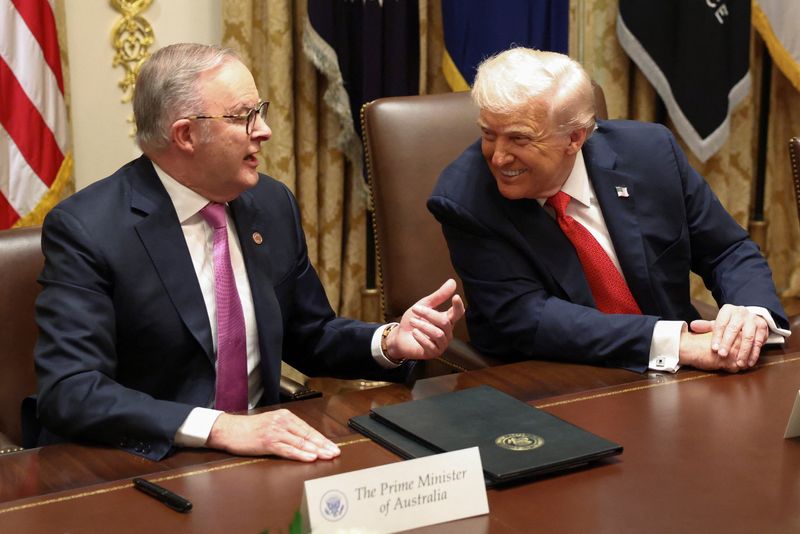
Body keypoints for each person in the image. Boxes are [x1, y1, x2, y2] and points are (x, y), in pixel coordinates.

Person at [34, 43, 464, 462]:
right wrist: (220, 427)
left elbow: (309, 334)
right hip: (150, 460)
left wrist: (388, 341)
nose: (264, 130)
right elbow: (71, 389)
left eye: (260, 112)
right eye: (244, 117)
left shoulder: (271, 205)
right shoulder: (88, 230)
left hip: (262, 453)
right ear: (186, 134)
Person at [427, 47, 789, 375]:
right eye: (489, 134)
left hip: (682, 372)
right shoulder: (467, 199)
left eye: (519, 139)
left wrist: (751, 316)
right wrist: (676, 342)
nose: (498, 156)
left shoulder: (650, 153)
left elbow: (726, 249)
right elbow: (528, 319)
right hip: (554, 381)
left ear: (575, 138)